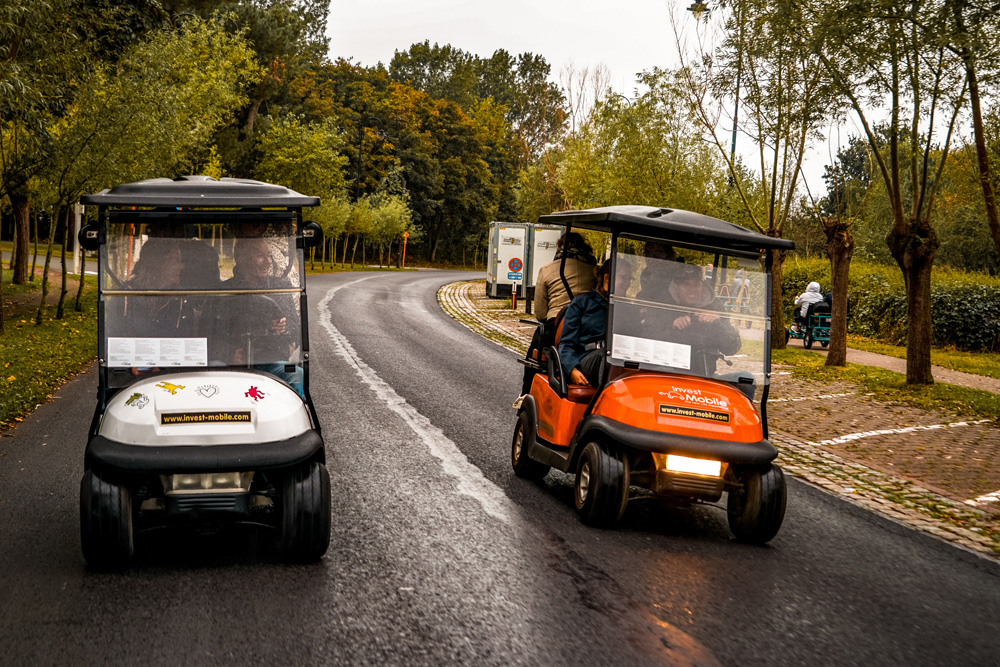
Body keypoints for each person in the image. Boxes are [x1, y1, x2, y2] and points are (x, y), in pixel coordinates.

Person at [654, 261, 742, 374]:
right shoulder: (663, 303)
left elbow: (733, 347)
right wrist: (672, 325)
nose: (692, 290)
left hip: (705, 376)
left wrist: (718, 322)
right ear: (676, 286)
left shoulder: (715, 305)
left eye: (696, 284)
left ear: (702, 284)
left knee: (746, 378)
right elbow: (647, 336)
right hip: (668, 373)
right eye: (686, 284)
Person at [558, 260, 614, 388]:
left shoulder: (625, 308)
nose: (628, 283)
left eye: (630, 278)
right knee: (607, 356)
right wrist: (572, 369)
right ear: (607, 278)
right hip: (586, 358)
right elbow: (566, 343)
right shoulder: (582, 303)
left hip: (614, 359)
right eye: (625, 278)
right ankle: (603, 403)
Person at [533, 232, 598, 322]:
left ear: (560, 246)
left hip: (557, 318)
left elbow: (540, 313)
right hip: (589, 319)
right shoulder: (595, 270)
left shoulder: (546, 270)